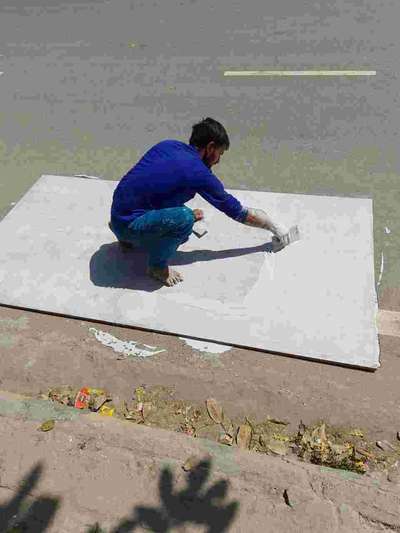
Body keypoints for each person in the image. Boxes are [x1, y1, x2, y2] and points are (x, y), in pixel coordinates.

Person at [109, 117, 289, 287]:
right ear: (210, 148)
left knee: (174, 204)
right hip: (129, 225)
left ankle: (125, 238)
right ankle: (157, 267)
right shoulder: (198, 173)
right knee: (184, 220)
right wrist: (275, 227)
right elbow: (238, 212)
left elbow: (153, 185)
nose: (218, 160)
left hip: (117, 213)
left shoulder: (168, 145)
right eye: (220, 153)